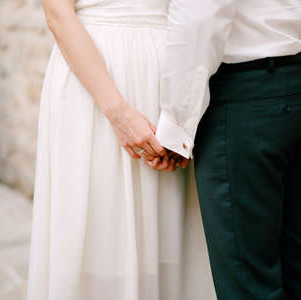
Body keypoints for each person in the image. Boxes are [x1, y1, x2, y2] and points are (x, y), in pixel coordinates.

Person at [26, 0, 216, 300]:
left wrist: (182, 117)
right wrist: (118, 112)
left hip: (165, 73)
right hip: (95, 77)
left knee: (164, 224)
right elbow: (58, 14)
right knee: (100, 219)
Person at [152, 0, 301, 299]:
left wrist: (178, 124)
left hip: (247, 95)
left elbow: (199, 17)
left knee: (247, 279)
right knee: (295, 258)